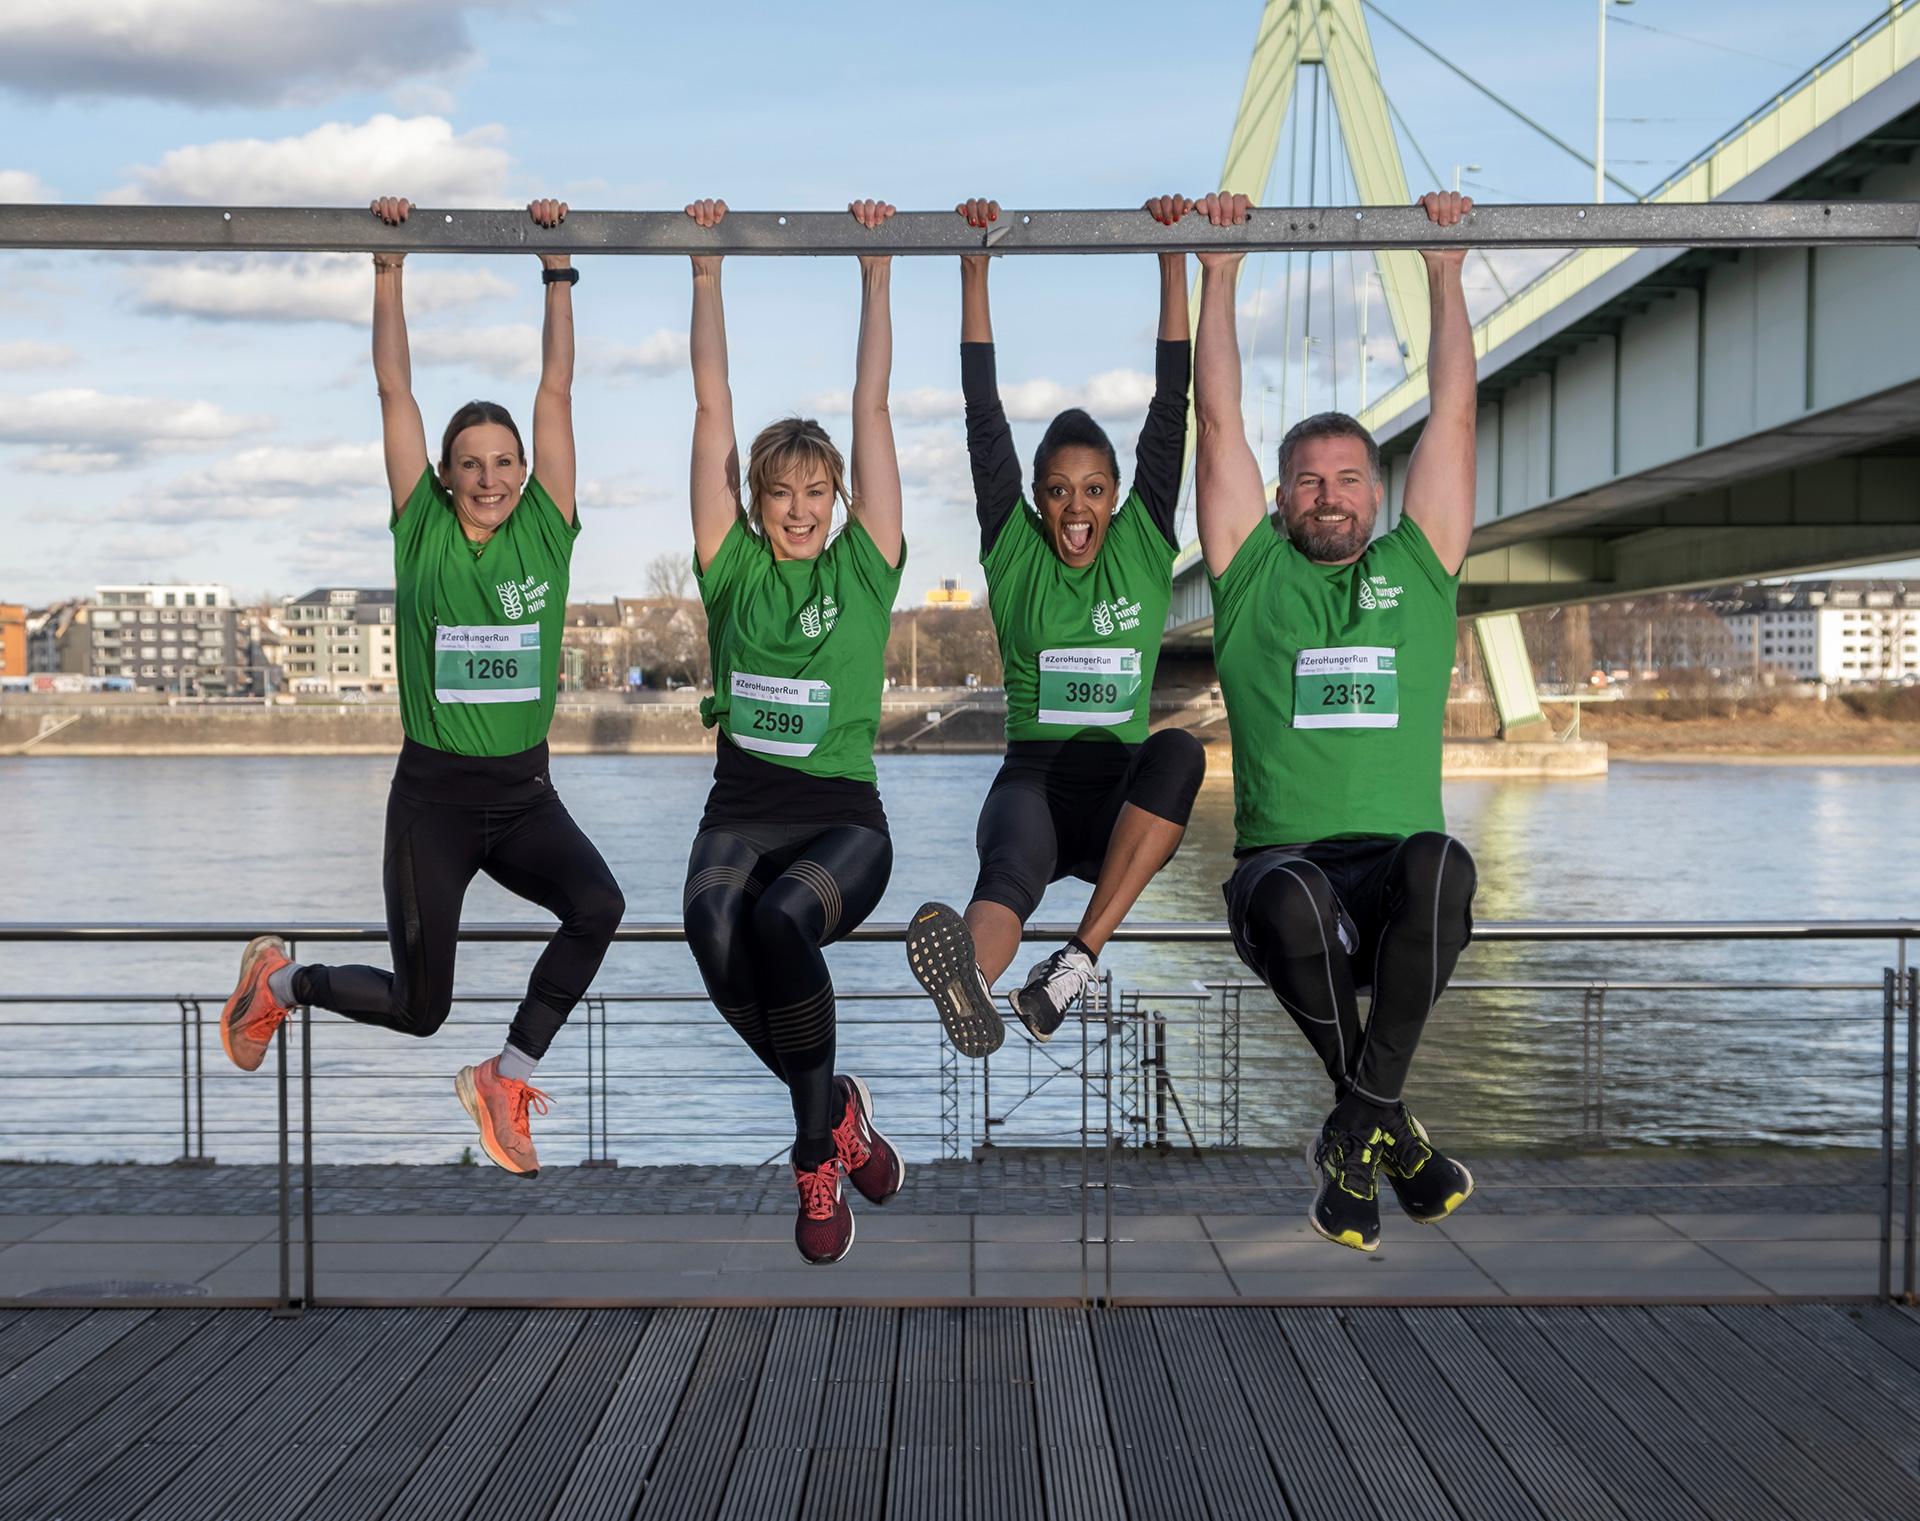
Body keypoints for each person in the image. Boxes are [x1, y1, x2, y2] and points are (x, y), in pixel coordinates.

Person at [217, 197, 624, 1181]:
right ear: (442, 478)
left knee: (599, 904)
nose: (489, 478)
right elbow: (393, 387)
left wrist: (557, 273)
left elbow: (557, 391)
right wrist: (388, 266)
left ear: (526, 472)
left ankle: (506, 1076)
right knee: (419, 1006)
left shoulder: (547, 527)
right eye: (470, 466)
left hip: (525, 797)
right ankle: (283, 979)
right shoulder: (421, 527)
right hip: (434, 802)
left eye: (504, 463)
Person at [1192, 190, 1480, 1252]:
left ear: (1378, 493)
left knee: (1446, 862)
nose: (1329, 494)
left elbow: (1453, 417)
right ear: (1278, 501)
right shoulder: (1249, 572)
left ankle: (1361, 1132)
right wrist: (1220, 271)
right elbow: (1216, 422)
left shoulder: (1420, 566)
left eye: (1349, 478)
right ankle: (1390, 1135)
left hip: (1397, 881)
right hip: (1286, 878)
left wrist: (1444, 272)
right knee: (1302, 895)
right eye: (1307, 480)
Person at [905, 195, 1209, 1058]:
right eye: (1059, 489)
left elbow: (1171, 404)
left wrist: (1171, 255)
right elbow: (982, 418)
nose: (1077, 506)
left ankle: (1076, 961)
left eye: (1094, 488)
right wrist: (975, 267)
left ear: (1118, 495)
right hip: (1034, 781)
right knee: (1004, 879)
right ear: (1036, 498)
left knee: (1181, 751)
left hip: (1119, 792)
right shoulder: (1013, 546)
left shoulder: (1147, 541)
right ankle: (971, 981)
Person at [680, 196, 908, 1265]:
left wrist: (874, 270)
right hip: (741, 802)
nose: (801, 508)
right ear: (758, 502)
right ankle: (837, 1118)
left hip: (840, 822)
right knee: (712, 930)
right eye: (782, 493)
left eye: (818, 491)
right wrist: (708, 271)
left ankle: (812, 1159)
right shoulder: (731, 567)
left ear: (840, 499)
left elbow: (873, 404)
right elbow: (712, 409)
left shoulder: (866, 568)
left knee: (779, 924)